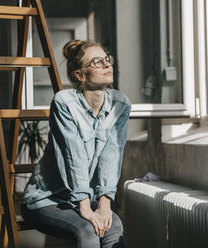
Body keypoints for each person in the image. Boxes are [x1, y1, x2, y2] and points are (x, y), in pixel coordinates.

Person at [20, 40, 130, 248]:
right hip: (46, 200)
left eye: (107, 60)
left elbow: (112, 156)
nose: (107, 65)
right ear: (79, 75)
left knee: (113, 226)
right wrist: (86, 209)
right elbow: (74, 156)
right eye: (97, 62)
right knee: (87, 229)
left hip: (83, 199)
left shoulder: (120, 104)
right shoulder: (64, 103)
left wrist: (104, 206)